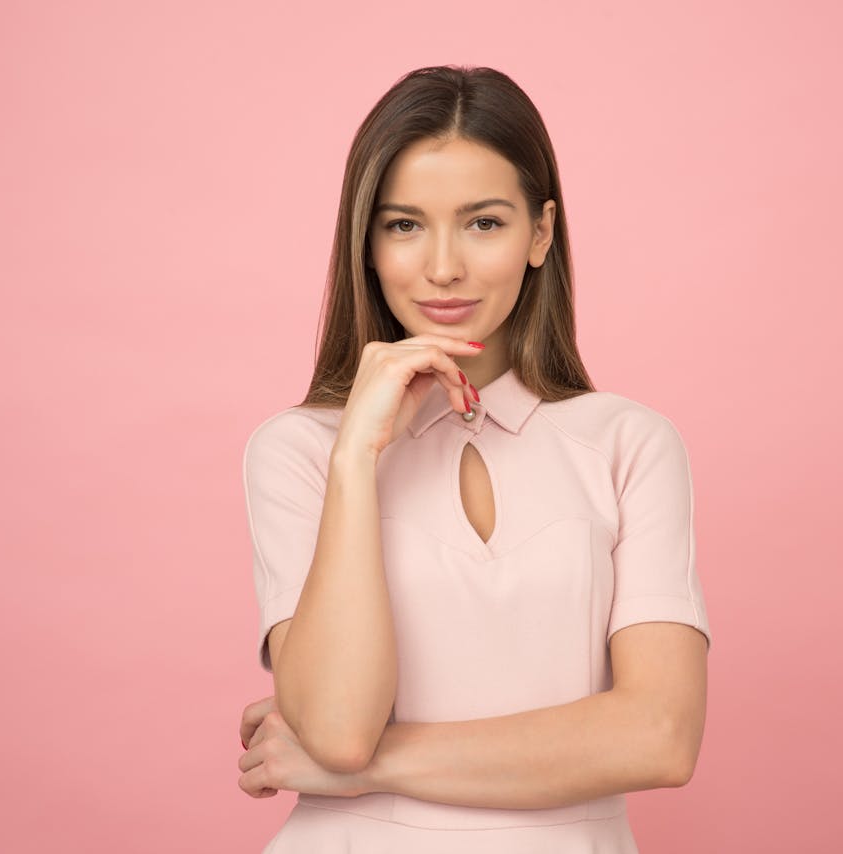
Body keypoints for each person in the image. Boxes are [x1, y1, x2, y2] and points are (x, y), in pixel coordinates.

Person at [235, 64, 711, 853]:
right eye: (404, 224)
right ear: (367, 241)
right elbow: (339, 728)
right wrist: (356, 453)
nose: (444, 265)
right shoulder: (300, 452)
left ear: (542, 233)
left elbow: (658, 736)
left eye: (484, 223)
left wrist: (364, 771)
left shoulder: (629, 443)